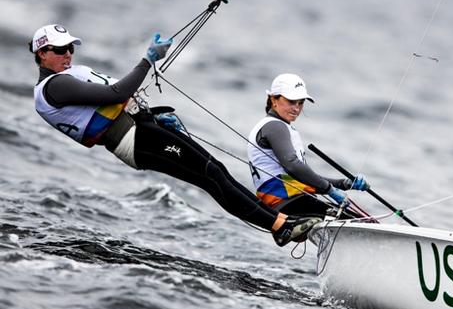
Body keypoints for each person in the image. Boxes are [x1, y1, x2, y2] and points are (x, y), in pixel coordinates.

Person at [30, 24, 320, 247]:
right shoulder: (54, 88)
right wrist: (147, 60)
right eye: (59, 49)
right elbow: (116, 93)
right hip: (134, 140)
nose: (67, 53)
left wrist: (154, 116)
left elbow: (116, 103)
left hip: (143, 128)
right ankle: (280, 227)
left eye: (70, 47)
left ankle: (281, 222)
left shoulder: (65, 78)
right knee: (209, 175)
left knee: (215, 170)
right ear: (42, 55)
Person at [247, 73, 370, 217]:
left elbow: (302, 177)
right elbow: (292, 165)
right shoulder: (275, 126)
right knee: (361, 222)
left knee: (361, 220)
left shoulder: (279, 127)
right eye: (291, 101)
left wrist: (344, 183)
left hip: (292, 203)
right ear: (274, 99)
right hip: (287, 204)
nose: (297, 109)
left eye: (300, 103)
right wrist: (329, 190)